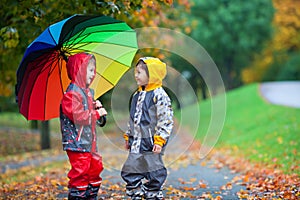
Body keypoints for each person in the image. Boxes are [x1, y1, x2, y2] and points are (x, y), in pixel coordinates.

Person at [121, 57, 174, 200]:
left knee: (154, 167)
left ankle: (153, 189)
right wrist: (128, 136)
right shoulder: (136, 95)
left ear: (152, 74)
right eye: (135, 72)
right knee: (130, 166)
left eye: (139, 72)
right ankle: (135, 188)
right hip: (136, 140)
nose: (136, 75)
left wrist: (159, 140)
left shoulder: (159, 95)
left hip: (152, 140)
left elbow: (166, 119)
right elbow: (132, 118)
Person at [60, 53, 107, 200]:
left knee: (95, 168)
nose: (93, 74)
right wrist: (97, 114)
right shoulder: (71, 94)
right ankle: (78, 196)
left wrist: (94, 105)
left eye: (94, 70)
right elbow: (78, 116)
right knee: (81, 171)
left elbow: (86, 110)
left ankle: (90, 195)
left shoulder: (86, 92)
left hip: (90, 142)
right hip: (77, 143)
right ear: (79, 70)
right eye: (90, 70)